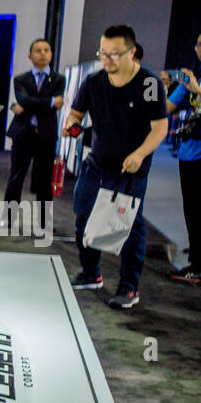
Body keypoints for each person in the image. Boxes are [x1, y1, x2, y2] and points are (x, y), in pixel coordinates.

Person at [66, 24, 169, 309]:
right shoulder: (94, 82)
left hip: (131, 169)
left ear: (132, 52)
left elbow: (160, 128)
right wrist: (72, 125)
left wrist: (139, 154)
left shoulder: (148, 84)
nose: (107, 59)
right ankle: (91, 273)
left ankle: (129, 287)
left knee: (129, 226)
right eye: (103, 53)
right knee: (83, 216)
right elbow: (76, 113)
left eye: (114, 54)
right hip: (97, 163)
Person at [5, 38, 65, 233]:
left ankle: (43, 224)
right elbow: (23, 99)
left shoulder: (59, 80)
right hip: (23, 134)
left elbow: (30, 102)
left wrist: (29, 103)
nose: (42, 54)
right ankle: (8, 220)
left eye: (46, 50)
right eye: (38, 50)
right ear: (30, 56)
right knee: (16, 178)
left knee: (44, 181)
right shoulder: (20, 79)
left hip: (46, 136)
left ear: (51, 54)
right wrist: (48, 103)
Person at [163, 33, 201, 285]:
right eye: (199, 44)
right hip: (190, 153)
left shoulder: (195, 83)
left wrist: (197, 91)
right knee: (193, 209)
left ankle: (198, 266)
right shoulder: (190, 78)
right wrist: (167, 87)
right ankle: (197, 260)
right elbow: (165, 107)